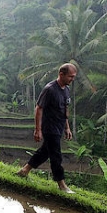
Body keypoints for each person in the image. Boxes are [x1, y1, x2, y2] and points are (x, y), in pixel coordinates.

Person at [17, 63, 76, 194]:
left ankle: (24, 170)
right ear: (62, 74)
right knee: (56, 156)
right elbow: (39, 108)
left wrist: (67, 128)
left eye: (73, 77)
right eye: (70, 76)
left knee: (45, 152)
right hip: (49, 128)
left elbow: (65, 110)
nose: (72, 79)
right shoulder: (50, 89)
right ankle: (62, 184)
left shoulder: (66, 89)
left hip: (59, 127)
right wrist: (37, 129)